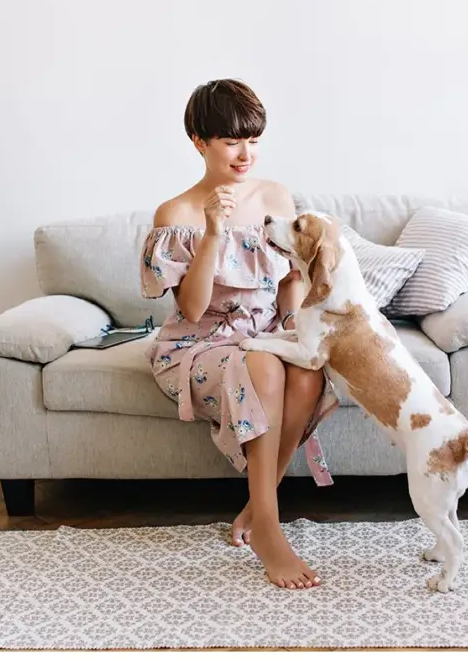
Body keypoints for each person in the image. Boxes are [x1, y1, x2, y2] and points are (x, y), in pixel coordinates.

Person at [140, 78, 338, 591]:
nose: (245, 152)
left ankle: (257, 502)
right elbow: (191, 306)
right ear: (198, 141)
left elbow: (293, 279)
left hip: (266, 335)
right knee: (265, 365)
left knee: (307, 371)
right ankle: (269, 532)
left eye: (252, 139)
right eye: (230, 140)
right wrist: (212, 233)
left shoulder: (275, 197)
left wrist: (294, 328)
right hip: (198, 346)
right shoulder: (177, 213)